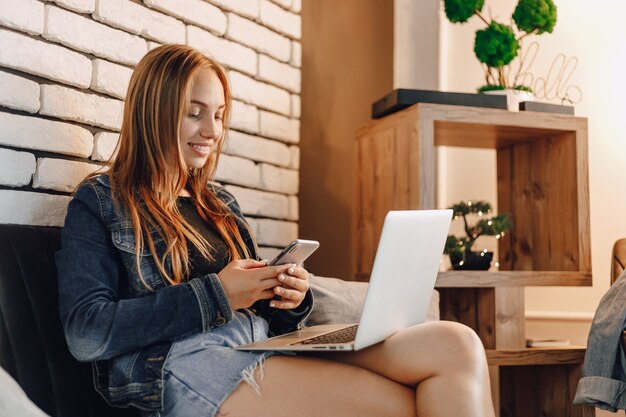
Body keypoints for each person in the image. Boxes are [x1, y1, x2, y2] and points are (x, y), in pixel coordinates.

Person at [56, 44, 495, 417]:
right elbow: (86, 333)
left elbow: (267, 315)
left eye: (219, 115)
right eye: (194, 114)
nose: (212, 131)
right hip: (187, 363)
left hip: (259, 344)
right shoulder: (101, 201)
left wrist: (288, 298)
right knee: (403, 404)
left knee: (456, 343)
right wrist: (219, 293)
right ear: (154, 113)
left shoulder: (219, 203)